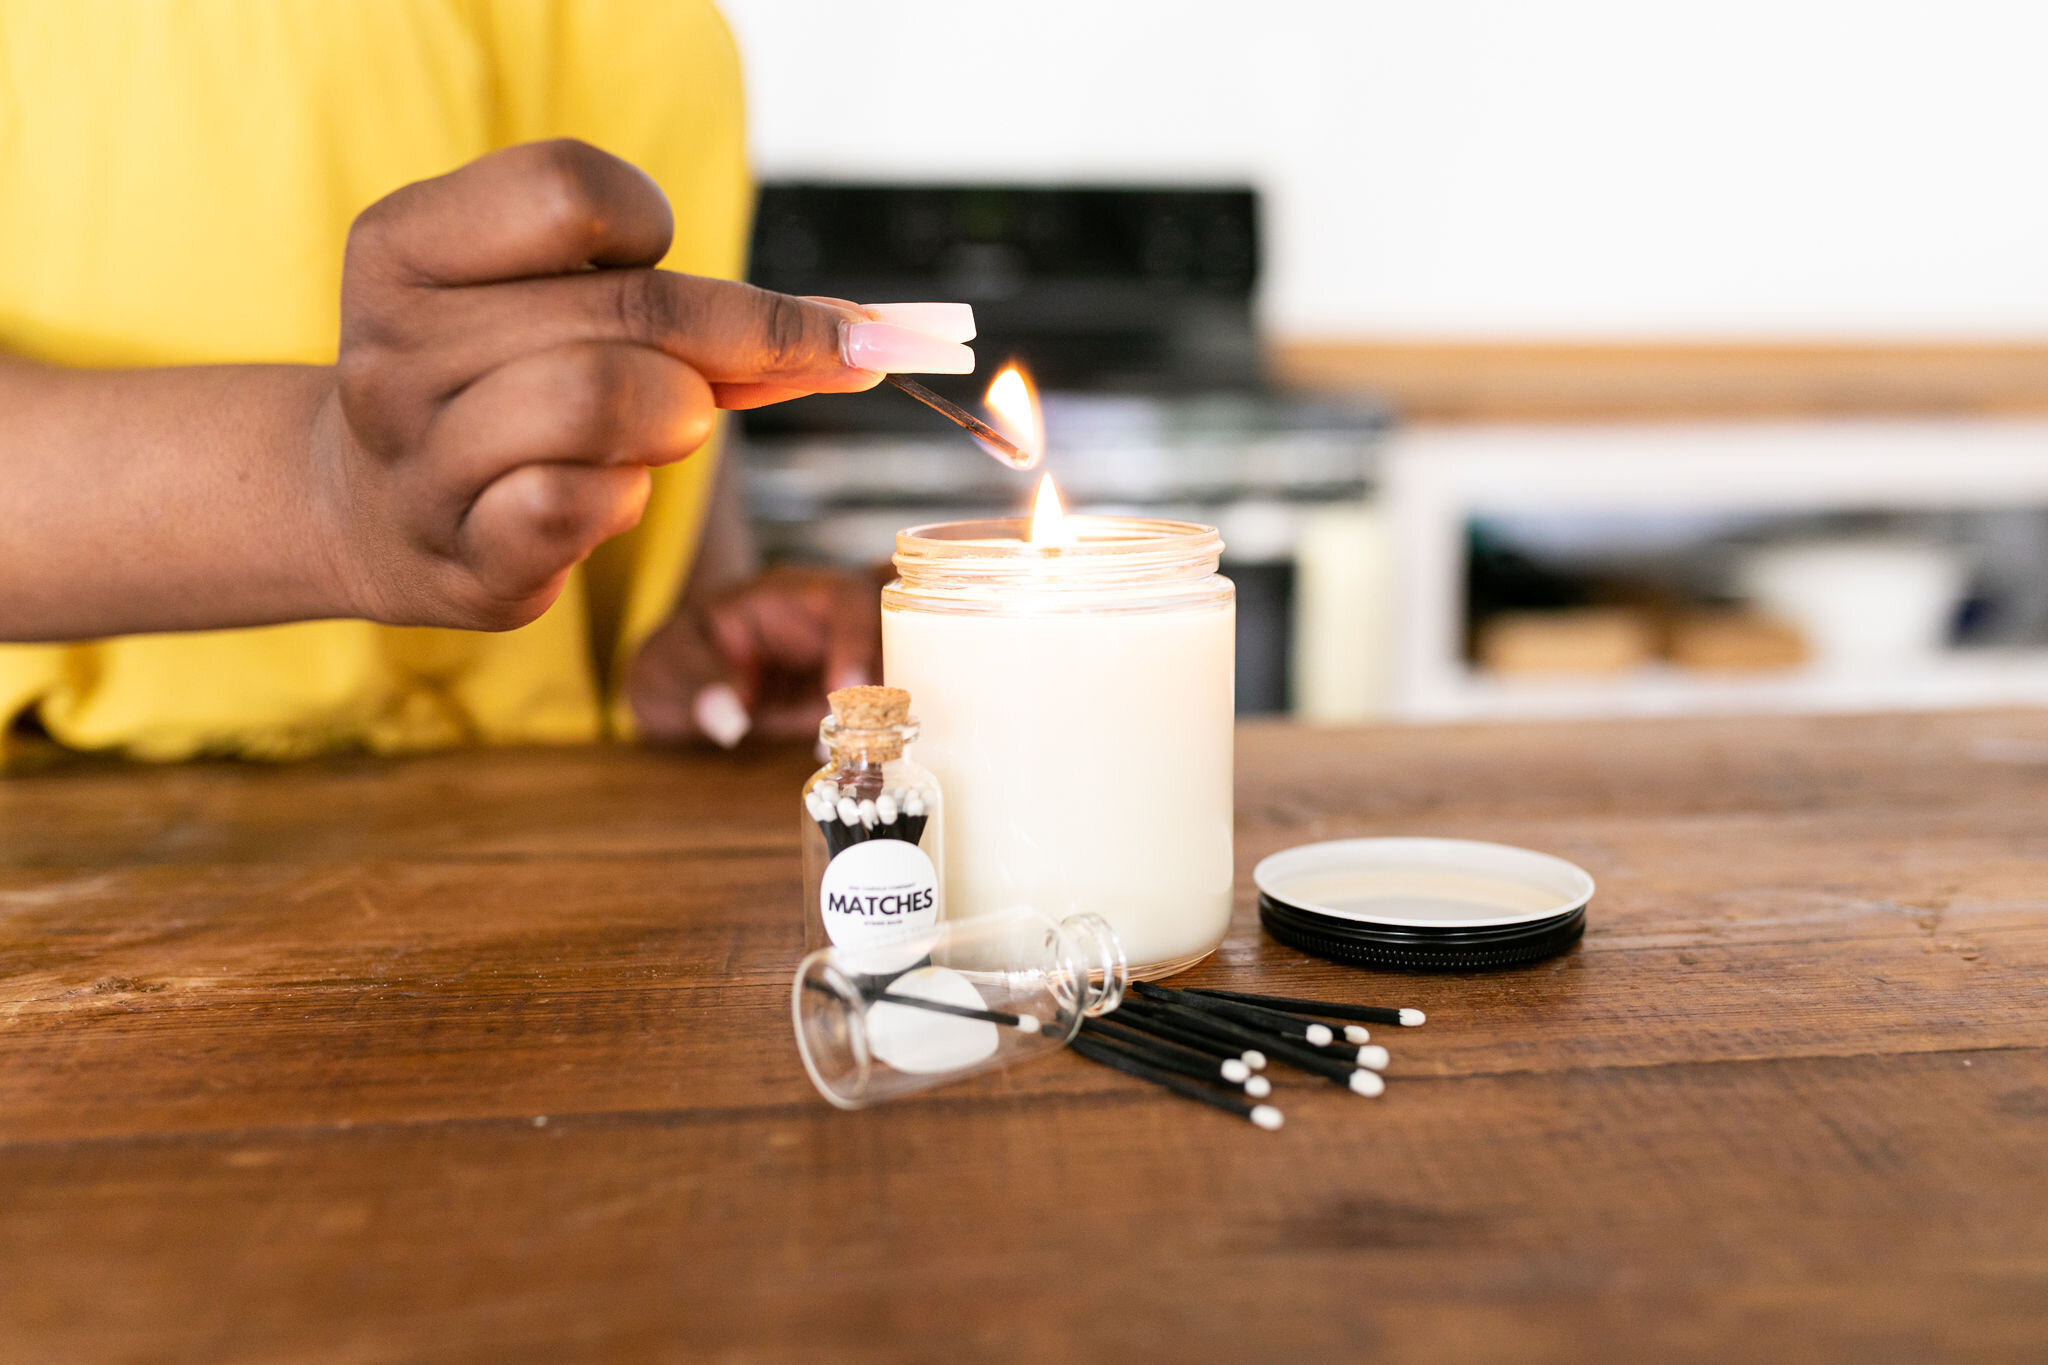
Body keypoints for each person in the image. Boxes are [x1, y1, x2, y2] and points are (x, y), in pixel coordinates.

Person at [0, 0, 971, 761]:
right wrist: (331, 493)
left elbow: (600, 338)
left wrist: (689, 636)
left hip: (547, 828)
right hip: (109, 854)